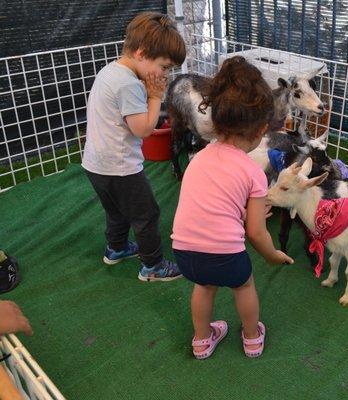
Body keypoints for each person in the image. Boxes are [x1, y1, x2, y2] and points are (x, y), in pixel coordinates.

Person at [171, 56, 294, 360]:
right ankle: (251, 337)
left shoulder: (198, 159)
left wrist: (236, 215)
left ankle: (202, 340)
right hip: (225, 255)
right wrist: (271, 254)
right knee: (244, 284)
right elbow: (255, 231)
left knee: (205, 285)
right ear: (260, 131)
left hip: (184, 254)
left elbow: (203, 207)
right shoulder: (253, 171)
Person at [82, 12, 186, 281]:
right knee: (147, 214)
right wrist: (154, 97)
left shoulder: (111, 71)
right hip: (120, 167)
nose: (164, 74)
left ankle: (116, 248)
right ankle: (152, 266)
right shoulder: (128, 85)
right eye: (164, 67)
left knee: (116, 210)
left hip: (96, 165)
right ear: (141, 53)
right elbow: (144, 129)